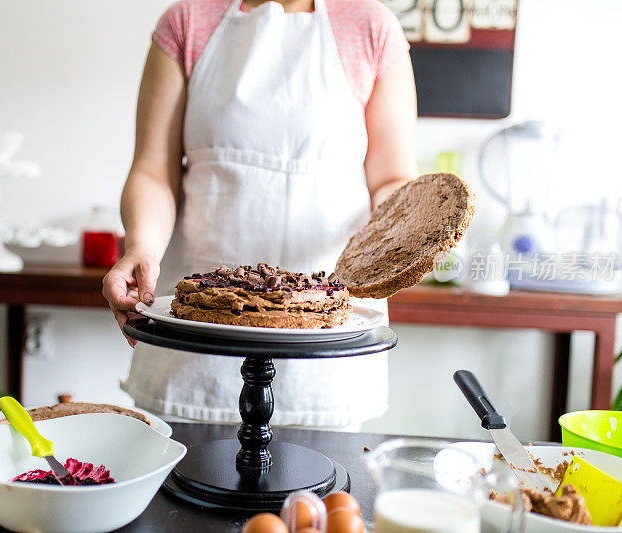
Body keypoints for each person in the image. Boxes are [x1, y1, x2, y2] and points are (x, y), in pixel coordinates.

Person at [103, 0, 417, 429]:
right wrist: (140, 246)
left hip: (327, 340)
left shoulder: (372, 27)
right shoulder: (188, 22)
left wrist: (410, 233)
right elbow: (153, 171)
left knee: (320, 493)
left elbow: (393, 177)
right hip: (199, 336)